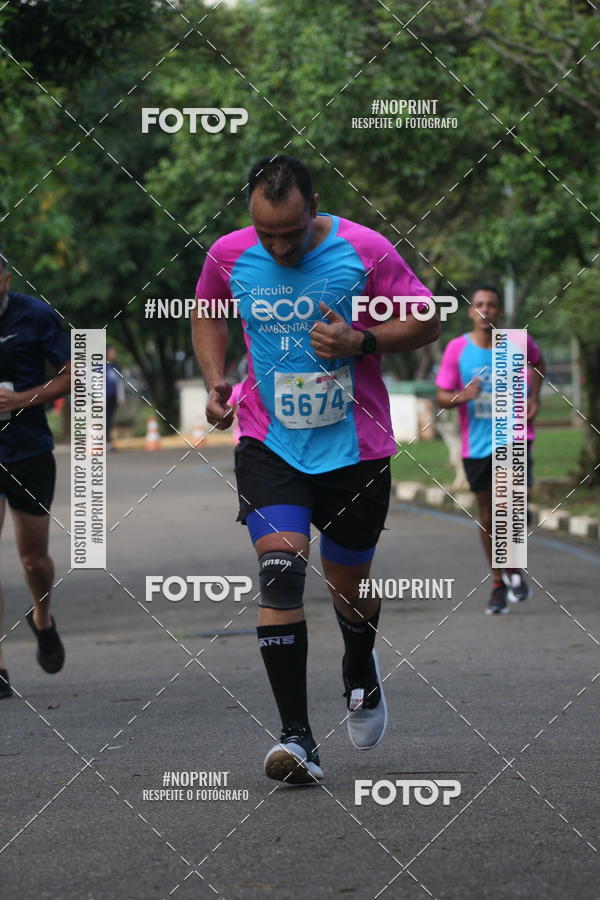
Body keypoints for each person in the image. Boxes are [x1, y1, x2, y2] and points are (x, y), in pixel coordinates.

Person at [192, 155, 439, 783]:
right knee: (279, 572)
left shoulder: (367, 249)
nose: (278, 246)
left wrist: (365, 342)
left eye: (291, 233)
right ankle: (297, 738)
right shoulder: (227, 254)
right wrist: (217, 379)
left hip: (355, 449)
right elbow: (207, 312)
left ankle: (359, 669)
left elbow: (428, 316)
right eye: (266, 233)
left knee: (348, 584)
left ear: (315, 207)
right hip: (270, 442)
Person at [436, 286, 545, 615]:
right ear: (472, 311)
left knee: (506, 506)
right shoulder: (457, 349)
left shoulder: (517, 342)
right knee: (488, 516)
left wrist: (534, 398)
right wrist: (461, 396)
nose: (486, 310)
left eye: (492, 305)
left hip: (514, 437)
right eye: (480, 304)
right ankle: (500, 580)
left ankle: (511, 566)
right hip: (477, 445)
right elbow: (441, 396)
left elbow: (538, 365)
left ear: (499, 311)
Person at [0, 253, 72, 698]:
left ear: (4, 279)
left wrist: (22, 399)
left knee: (34, 561)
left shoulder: (36, 315)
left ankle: (42, 618)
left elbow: (75, 374)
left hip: (27, 452)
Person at [106, 345, 124, 450]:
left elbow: (119, 383)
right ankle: (105, 441)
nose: (114, 354)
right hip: (103, 397)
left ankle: (108, 441)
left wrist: (120, 398)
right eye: (112, 352)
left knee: (110, 420)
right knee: (104, 420)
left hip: (113, 396)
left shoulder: (115, 366)